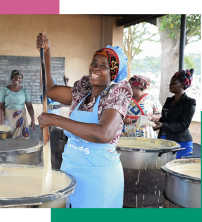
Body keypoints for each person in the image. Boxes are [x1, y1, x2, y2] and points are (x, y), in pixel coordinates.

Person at [36, 31, 132, 208]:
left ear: (113, 73)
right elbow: (49, 89)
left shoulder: (115, 96)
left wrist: (56, 120)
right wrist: (47, 52)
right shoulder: (81, 93)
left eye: (103, 66)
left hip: (99, 178)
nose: (95, 68)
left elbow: (104, 134)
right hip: (71, 170)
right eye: (94, 63)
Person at [153, 69, 196, 159]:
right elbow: (163, 120)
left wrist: (163, 125)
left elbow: (183, 125)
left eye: (174, 82)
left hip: (181, 143)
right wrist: (156, 125)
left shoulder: (189, 102)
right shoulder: (169, 100)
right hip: (163, 141)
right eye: (170, 82)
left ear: (183, 84)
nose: (170, 85)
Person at [0, 70, 35, 139]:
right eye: (15, 77)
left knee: (22, 141)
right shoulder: (4, 90)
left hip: (21, 118)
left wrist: (33, 119)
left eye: (20, 78)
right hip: (8, 118)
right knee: (7, 138)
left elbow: (29, 106)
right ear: (12, 78)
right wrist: (1, 120)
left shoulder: (24, 90)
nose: (17, 79)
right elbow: (1, 106)